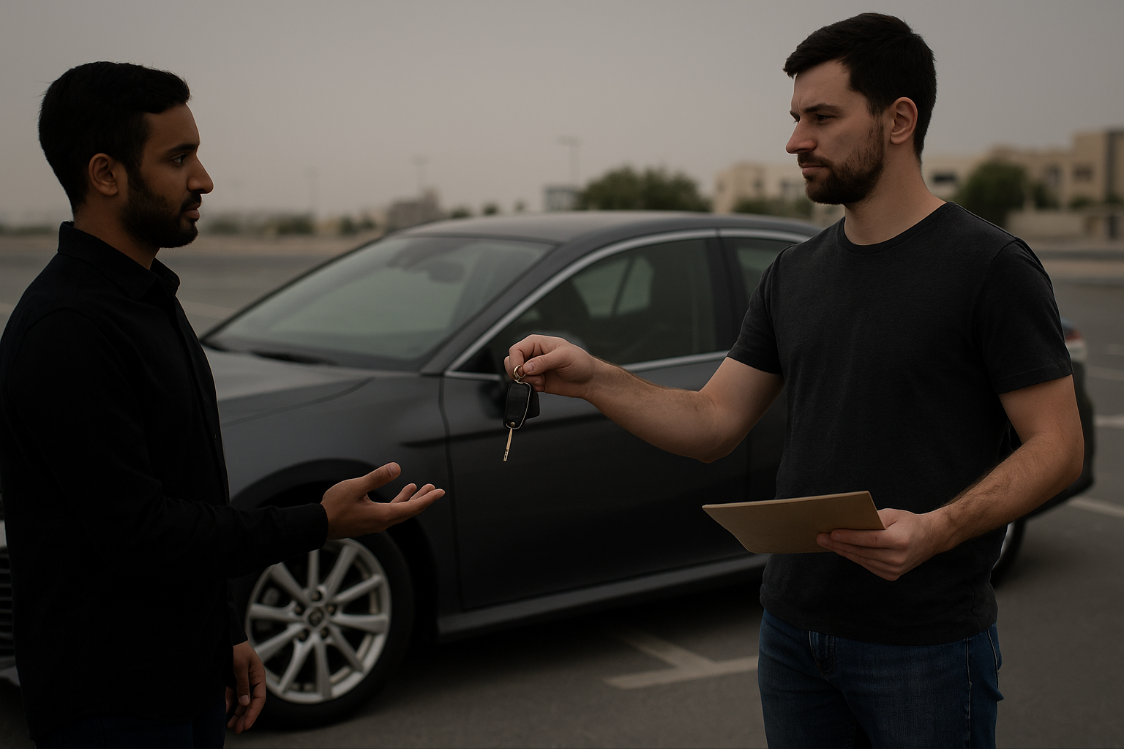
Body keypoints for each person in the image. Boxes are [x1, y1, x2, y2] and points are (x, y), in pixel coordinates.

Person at [506, 13, 1083, 749]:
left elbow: (1058, 446)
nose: (795, 141)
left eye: (822, 117)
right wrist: (594, 378)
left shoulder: (991, 267)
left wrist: (938, 529)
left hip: (924, 645)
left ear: (899, 120)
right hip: (792, 634)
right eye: (795, 118)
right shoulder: (793, 273)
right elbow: (712, 422)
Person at [0, 62, 444, 748]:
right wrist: (319, 522)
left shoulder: (148, 298)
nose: (204, 179)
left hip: (187, 677)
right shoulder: (66, 330)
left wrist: (225, 630)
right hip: (112, 702)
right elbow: (141, 533)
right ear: (106, 174)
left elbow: (189, 491)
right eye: (179, 158)